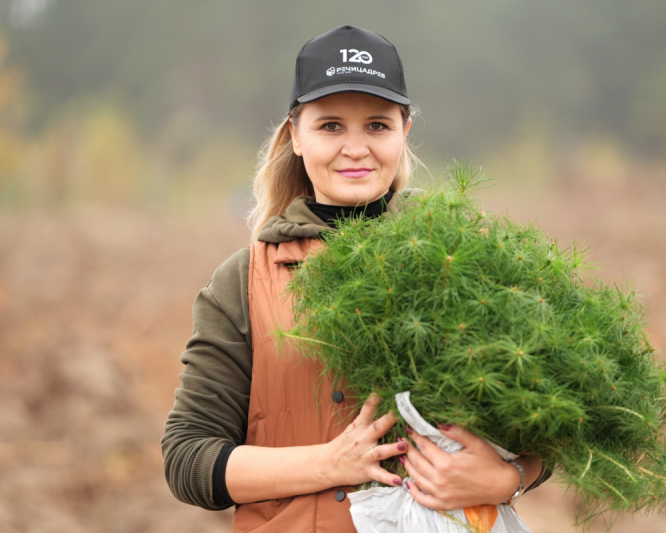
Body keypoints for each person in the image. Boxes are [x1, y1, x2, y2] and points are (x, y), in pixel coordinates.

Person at [161, 24, 551, 532]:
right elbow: (188, 459)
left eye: (376, 125)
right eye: (330, 126)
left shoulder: (465, 258)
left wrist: (506, 478)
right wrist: (330, 463)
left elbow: (554, 423)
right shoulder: (243, 281)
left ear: (404, 132)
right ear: (295, 136)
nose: (355, 148)